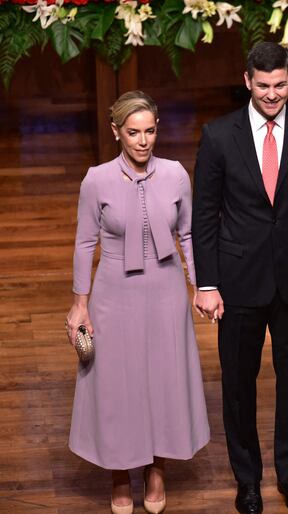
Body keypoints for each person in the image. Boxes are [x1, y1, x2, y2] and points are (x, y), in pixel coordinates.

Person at [191, 42, 288, 514]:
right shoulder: (218, 136)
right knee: (238, 385)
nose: (273, 94)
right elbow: (205, 216)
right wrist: (207, 283)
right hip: (238, 281)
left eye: (280, 85)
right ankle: (248, 481)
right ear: (247, 81)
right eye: (263, 86)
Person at [65, 90, 210, 514]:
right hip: (114, 291)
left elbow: (187, 235)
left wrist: (200, 285)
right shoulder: (96, 179)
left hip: (165, 291)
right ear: (116, 132)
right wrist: (80, 304)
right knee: (116, 384)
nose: (143, 141)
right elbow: (83, 243)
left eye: (149, 131)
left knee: (163, 378)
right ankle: (118, 474)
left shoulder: (176, 174)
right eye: (133, 132)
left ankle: (157, 468)